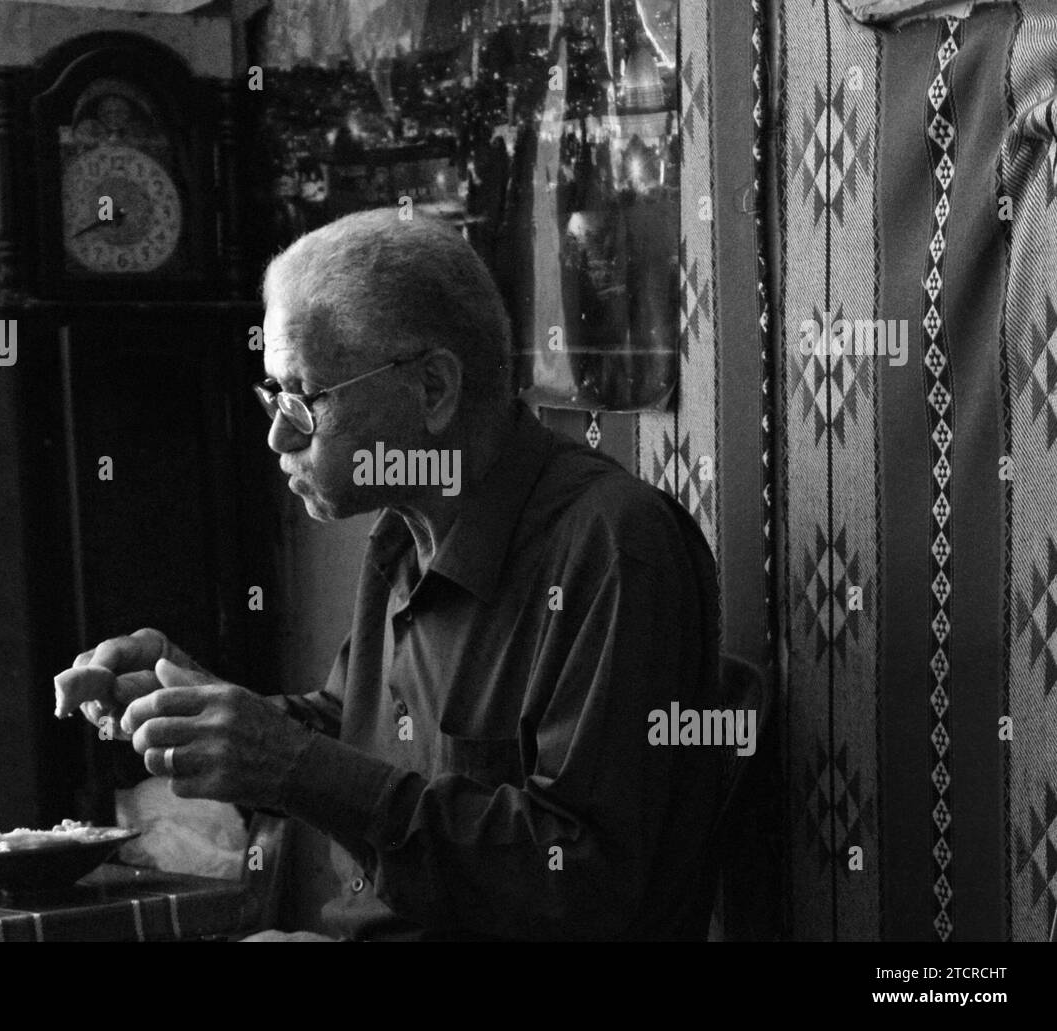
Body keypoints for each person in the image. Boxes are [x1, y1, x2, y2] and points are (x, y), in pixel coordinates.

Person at [53, 208, 725, 941]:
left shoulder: (612, 548)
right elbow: (352, 734)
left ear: (432, 389)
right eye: (272, 396)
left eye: (303, 398)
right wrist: (201, 703)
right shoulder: (403, 539)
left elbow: (578, 879)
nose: (278, 435)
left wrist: (294, 767)